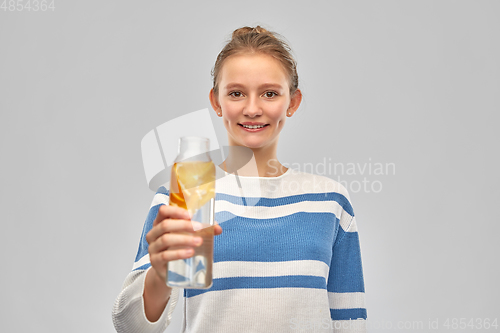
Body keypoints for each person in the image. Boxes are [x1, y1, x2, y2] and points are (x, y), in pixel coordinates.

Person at [112, 25, 367, 333]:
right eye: (236, 93)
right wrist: (159, 274)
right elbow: (132, 327)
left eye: (270, 93)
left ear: (293, 102)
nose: (252, 109)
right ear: (217, 102)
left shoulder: (329, 200)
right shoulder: (186, 194)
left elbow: (350, 322)